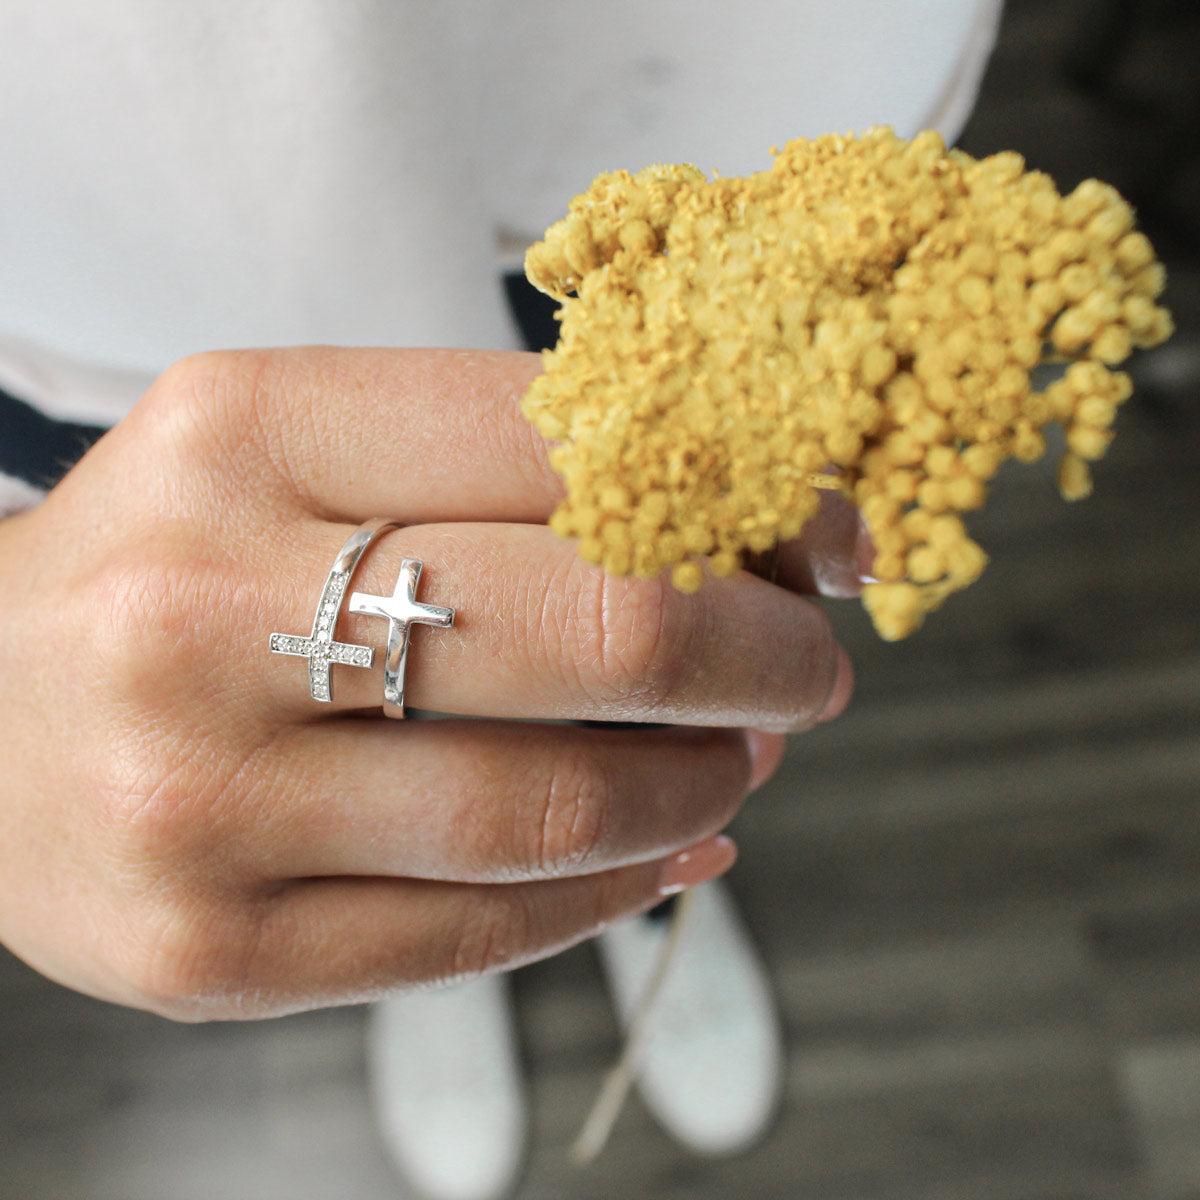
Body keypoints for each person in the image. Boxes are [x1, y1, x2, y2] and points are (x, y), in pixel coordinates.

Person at [0, 3, 1002, 1196]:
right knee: (263, 686)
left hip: (691, 105)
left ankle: (642, 890)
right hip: (116, 231)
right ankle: (427, 915)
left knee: (660, 629)